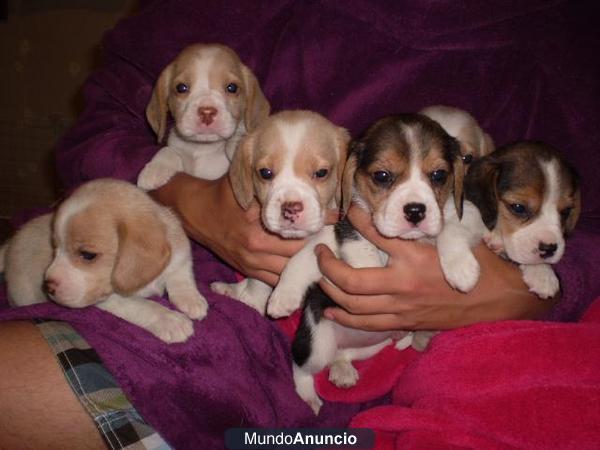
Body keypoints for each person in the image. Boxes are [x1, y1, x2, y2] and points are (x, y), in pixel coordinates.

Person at [1, 1, 599, 449]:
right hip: (225, 287)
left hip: (495, 319)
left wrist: (520, 286)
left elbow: (572, 219)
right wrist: (198, 200)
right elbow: (100, 128)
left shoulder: (562, 34)